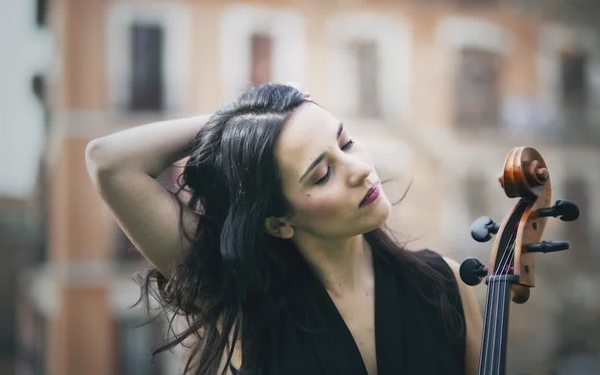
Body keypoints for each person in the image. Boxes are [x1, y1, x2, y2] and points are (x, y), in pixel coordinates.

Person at [85, 83, 482, 375]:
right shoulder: (246, 308)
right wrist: (245, 126)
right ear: (278, 222)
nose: (360, 169)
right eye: (323, 174)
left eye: (345, 143)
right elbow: (109, 161)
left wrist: (285, 117)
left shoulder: (446, 283)